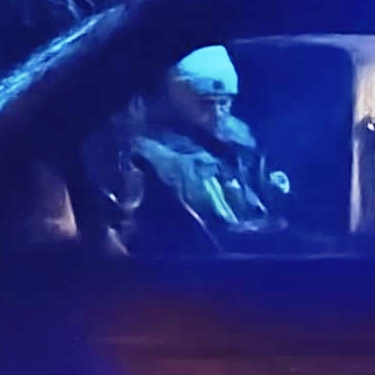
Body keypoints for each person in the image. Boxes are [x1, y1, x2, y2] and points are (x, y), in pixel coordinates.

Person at [121, 44, 293, 251]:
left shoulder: (240, 141)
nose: (218, 113)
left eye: (225, 102)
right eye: (206, 103)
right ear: (174, 100)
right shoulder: (151, 156)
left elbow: (260, 196)